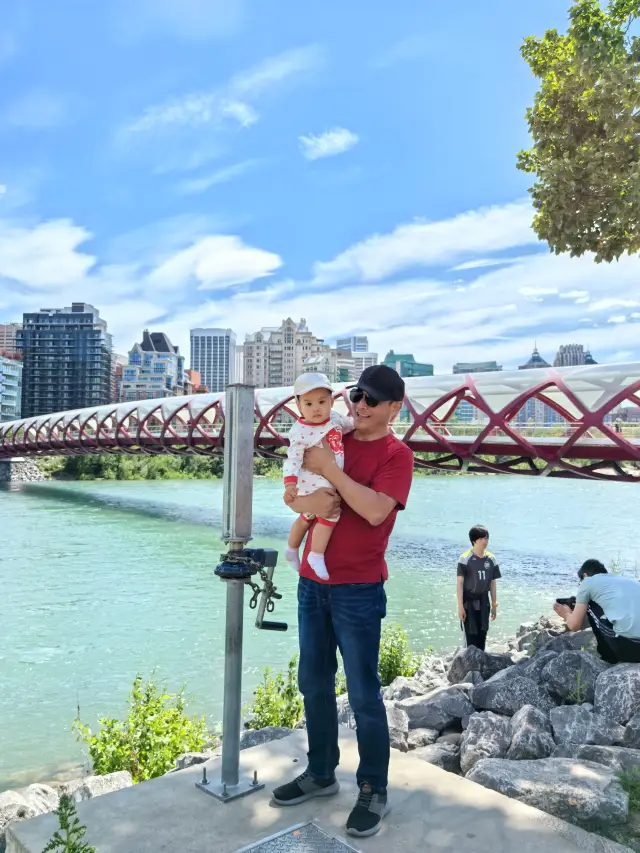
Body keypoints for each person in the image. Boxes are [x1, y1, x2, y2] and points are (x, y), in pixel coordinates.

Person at [272, 364, 413, 839]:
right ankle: (320, 773)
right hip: (312, 582)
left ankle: (373, 787)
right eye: (356, 396)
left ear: (395, 408)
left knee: (364, 693)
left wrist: (329, 470)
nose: (360, 405)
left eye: (373, 400)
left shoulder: (398, 455)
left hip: (358, 589)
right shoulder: (330, 432)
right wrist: (301, 503)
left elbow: (375, 511)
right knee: (312, 682)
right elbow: (295, 490)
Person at [283, 373, 354, 580]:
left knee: (307, 516)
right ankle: (316, 554)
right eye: (309, 403)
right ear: (298, 406)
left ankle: (291, 548)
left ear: (331, 402)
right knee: (330, 514)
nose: (316, 408)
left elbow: (351, 425)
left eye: (322, 402)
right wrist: (290, 484)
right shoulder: (300, 431)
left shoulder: (335, 419)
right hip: (311, 480)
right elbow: (293, 459)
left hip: (328, 477)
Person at [553, 559, 640, 664]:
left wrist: (566, 614)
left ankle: (608, 657)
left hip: (632, 650)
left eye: (580, 582)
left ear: (585, 576)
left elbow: (574, 626)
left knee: (589, 605)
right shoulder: (627, 580)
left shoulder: (588, 582)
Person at [456, 525, 500, 650]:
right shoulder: (465, 558)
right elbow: (459, 584)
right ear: (474, 540)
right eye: (482, 538)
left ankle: (481, 663)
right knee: (471, 635)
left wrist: (494, 605)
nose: (485, 541)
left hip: (484, 601)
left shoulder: (491, 559)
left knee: (483, 633)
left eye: (487, 538)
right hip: (468, 602)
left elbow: (492, 582)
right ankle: (470, 664)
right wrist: (460, 607)